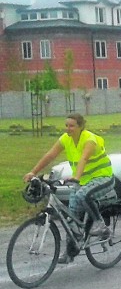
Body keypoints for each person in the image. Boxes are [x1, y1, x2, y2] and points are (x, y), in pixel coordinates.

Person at [23, 113, 113, 264]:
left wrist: (76, 177)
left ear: (80, 126)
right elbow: (50, 155)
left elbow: (84, 159)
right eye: (66, 125)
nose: (68, 129)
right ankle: (70, 252)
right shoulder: (66, 139)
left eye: (71, 126)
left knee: (82, 196)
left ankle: (101, 226)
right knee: (71, 216)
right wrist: (33, 172)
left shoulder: (89, 139)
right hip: (83, 180)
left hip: (102, 177)